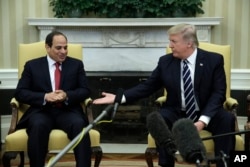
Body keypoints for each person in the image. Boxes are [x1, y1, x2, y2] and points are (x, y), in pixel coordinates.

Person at [93, 23, 235, 167]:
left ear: (189, 43)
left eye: (173, 41)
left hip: (206, 110)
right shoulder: (166, 62)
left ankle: (225, 163)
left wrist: (203, 121)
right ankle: (166, 164)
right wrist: (119, 97)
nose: (170, 45)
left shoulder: (213, 60)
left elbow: (219, 93)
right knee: (160, 118)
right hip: (177, 111)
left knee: (226, 119)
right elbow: (148, 86)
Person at [14, 31, 91, 167]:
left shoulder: (76, 65)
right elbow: (20, 93)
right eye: (58, 48)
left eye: (65, 47)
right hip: (41, 111)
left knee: (80, 125)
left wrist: (67, 95)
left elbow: (85, 90)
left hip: (67, 110)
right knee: (38, 126)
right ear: (48, 47)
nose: (63, 51)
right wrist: (44, 96)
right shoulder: (32, 66)